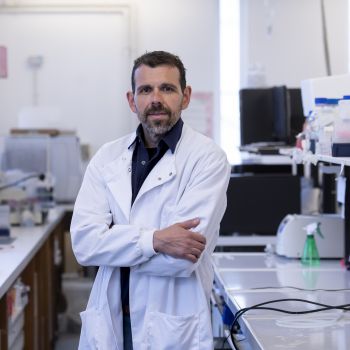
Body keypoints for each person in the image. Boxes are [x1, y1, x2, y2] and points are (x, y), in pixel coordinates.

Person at [70, 50, 230, 350]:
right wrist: (156, 240)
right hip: (112, 322)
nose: (155, 99)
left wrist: (113, 247)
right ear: (132, 100)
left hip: (170, 326)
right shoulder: (107, 158)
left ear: (185, 96)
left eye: (167, 88)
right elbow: (84, 244)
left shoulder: (207, 159)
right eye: (146, 90)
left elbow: (182, 258)